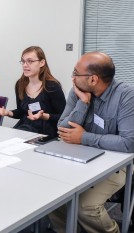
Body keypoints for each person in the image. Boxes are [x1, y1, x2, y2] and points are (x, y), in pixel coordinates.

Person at [49, 52, 134, 233]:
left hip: (115, 164)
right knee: (53, 197)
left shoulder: (126, 97)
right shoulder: (77, 91)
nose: (72, 77)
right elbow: (62, 129)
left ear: (93, 79)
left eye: (76, 73)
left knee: (86, 207)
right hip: (78, 157)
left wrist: (84, 137)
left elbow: (128, 143)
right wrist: (83, 103)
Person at [0, 46, 65, 137]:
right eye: (23, 61)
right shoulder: (20, 84)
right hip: (25, 129)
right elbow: (21, 112)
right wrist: (7, 112)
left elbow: (63, 117)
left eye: (30, 61)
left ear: (42, 63)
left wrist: (44, 116)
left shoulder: (52, 86)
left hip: (46, 133)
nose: (25, 65)